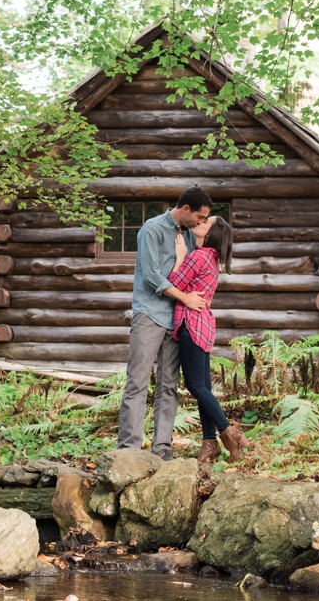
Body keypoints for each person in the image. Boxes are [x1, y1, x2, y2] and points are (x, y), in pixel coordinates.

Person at [117, 187, 213, 460]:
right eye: (200, 216)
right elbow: (152, 276)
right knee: (137, 382)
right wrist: (185, 295)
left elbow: (191, 272)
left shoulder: (190, 237)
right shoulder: (153, 229)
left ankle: (162, 449)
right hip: (149, 315)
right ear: (185, 209)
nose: (201, 222)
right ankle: (129, 450)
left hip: (177, 319)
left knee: (169, 385)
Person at [169, 215, 248, 464]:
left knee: (196, 386)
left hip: (190, 324)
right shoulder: (213, 259)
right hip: (203, 326)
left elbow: (171, 283)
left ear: (211, 232)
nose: (199, 223)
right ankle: (209, 443)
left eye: (205, 222)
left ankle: (228, 431)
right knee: (203, 386)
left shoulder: (197, 256)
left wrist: (180, 257)